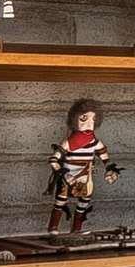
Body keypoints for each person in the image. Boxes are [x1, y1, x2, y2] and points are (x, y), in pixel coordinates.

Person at [46, 98, 120, 234]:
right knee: (61, 200)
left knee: (84, 202)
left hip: (86, 178)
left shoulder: (94, 142)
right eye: (84, 119)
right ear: (75, 120)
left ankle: (76, 229)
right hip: (68, 178)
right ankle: (53, 228)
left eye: (93, 119)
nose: (89, 124)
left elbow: (105, 157)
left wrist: (110, 170)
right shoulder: (68, 143)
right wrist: (64, 174)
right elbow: (53, 160)